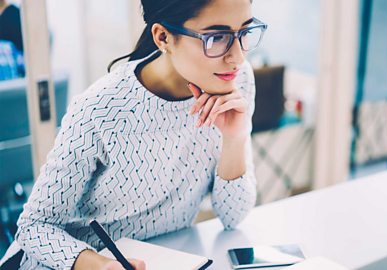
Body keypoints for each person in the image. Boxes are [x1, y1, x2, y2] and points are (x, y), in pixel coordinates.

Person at [0, 0, 267, 269]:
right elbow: (34, 227)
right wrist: (101, 265)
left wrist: (235, 138)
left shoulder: (236, 81)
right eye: (217, 37)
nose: (238, 56)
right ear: (163, 37)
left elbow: (233, 216)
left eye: (244, 32)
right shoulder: (100, 109)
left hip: (163, 258)